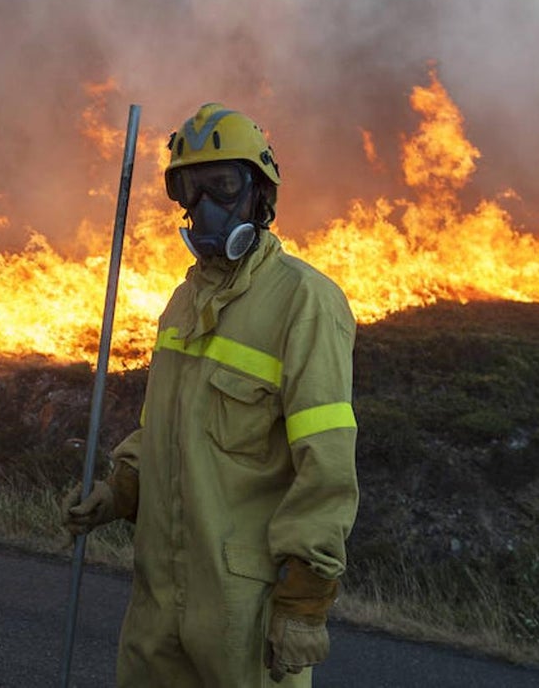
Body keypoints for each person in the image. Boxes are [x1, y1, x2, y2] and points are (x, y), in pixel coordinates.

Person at [62, 104, 359, 686]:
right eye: (189, 190)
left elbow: (325, 467)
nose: (204, 209)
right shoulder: (181, 304)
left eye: (221, 186)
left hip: (239, 613)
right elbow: (163, 429)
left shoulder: (305, 303)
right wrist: (122, 488)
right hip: (158, 598)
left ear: (260, 194)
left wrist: (304, 601)